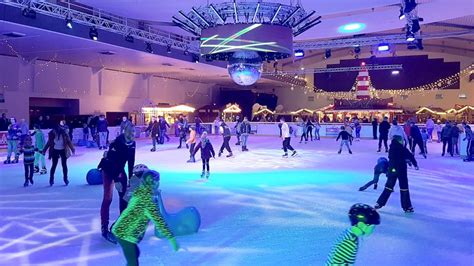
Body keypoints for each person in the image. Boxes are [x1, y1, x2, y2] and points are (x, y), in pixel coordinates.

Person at [112, 170, 179, 265]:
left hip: (122, 230)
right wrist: (171, 238)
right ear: (152, 182)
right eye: (156, 181)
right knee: (133, 261)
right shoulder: (147, 201)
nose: (158, 183)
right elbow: (159, 220)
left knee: (135, 254)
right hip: (124, 233)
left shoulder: (141, 192)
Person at [99, 124, 136, 244]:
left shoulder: (132, 144)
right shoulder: (117, 142)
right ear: (125, 132)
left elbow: (131, 162)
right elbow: (112, 161)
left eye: (133, 133)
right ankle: (104, 227)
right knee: (108, 198)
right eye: (129, 133)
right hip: (109, 169)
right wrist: (116, 179)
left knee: (125, 198)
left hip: (120, 170)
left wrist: (130, 180)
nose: (132, 135)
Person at [375, 135, 418, 213]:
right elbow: (410, 156)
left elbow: (396, 157)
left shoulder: (391, 148)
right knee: (404, 188)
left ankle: (379, 203)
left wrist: (406, 160)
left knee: (388, 187)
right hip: (401, 170)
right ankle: (407, 206)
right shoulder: (402, 148)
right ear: (399, 141)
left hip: (392, 170)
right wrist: (415, 164)